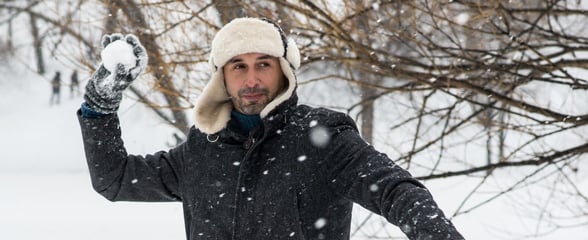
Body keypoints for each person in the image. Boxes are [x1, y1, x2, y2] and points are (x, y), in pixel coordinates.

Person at [77, 18, 464, 240]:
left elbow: (395, 190)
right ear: (222, 78)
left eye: (264, 63)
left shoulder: (323, 137)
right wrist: (100, 108)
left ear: (284, 70)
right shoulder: (201, 149)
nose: (252, 79)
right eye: (238, 66)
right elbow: (115, 179)